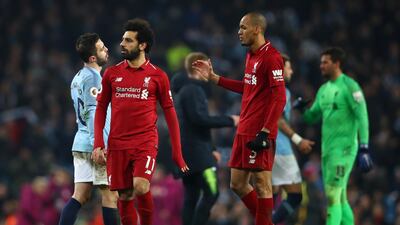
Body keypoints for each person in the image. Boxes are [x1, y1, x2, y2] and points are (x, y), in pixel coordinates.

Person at [192, 12, 286, 225]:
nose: (239, 32)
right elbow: (249, 88)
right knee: (237, 184)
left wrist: (266, 131)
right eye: (239, 28)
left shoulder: (272, 57)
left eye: (243, 28)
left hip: (260, 130)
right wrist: (216, 79)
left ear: (257, 29)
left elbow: (279, 98)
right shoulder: (251, 55)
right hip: (244, 127)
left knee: (262, 183)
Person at [92, 18, 189, 225]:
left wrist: (177, 152)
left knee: (141, 186)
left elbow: (170, 114)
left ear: (142, 45)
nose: (122, 44)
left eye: (128, 40)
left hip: (144, 142)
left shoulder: (158, 76)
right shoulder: (112, 73)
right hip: (117, 144)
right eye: (122, 39)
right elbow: (100, 108)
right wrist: (99, 143)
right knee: (124, 196)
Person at [294, 47, 373, 225]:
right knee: (341, 198)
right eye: (321, 62)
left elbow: (362, 116)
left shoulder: (350, 86)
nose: (321, 66)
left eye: (325, 62)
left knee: (332, 194)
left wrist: (364, 146)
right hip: (327, 151)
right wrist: (302, 109)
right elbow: (312, 117)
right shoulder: (323, 90)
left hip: (344, 150)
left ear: (337, 64)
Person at [171, 52, 240, 225]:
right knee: (212, 191)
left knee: (192, 196)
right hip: (199, 157)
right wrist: (230, 120)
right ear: (198, 65)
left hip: (188, 154)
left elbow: (195, 125)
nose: (210, 70)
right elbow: (199, 119)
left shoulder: (184, 90)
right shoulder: (193, 89)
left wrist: (212, 149)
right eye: (208, 65)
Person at [59, 33, 119, 225]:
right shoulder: (94, 79)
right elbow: (94, 112)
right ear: (93, 57)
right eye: (102, 48)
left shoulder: (77, 78)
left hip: (80, 142)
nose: (107, 49)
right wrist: (98, 145)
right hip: (95, 144)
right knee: (110, 196)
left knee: (80, 196)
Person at [271, 54, 315, 223]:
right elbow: (278, 119)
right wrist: (298, 140)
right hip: (280, 148)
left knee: (272, 194)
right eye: (288, 67)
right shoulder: (283, 90)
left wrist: (294, 108)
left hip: (267, 147)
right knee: (295, 196)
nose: (291, 71)